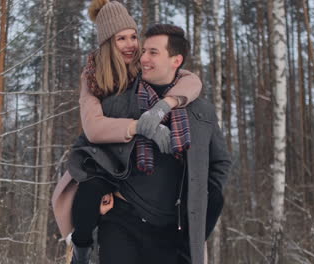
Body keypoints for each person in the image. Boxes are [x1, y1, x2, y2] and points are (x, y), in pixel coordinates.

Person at [56, 23, 232, 264]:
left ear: (176, 60)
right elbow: (89, 146)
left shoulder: (201, 111)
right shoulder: (118, 99)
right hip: (121, 220)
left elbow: (220, 164)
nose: (143, 58)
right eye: (144, 51)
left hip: (172, 230)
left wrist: (199, 205)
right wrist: (100, 187)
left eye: (153, 52)